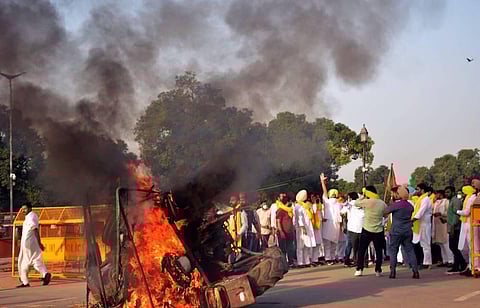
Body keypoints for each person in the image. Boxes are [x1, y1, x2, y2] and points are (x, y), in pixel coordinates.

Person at [385, 185, 419, 279]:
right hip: (407, 230)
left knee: (393, 251)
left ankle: (392, 272)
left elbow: (385, 212)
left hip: (396, 231)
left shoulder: (396, 205)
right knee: (410, 250)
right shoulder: (409, 205)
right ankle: (415, 271)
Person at [354, 186, 387, 277]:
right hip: (378, 229)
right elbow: (385, 213)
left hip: (367, 229)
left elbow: (356, 203)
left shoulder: (366, 202)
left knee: (361, 250)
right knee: (378, 251)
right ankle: (378, 270)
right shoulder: (382, 203)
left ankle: (359, 269)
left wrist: (362, 196)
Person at [17, 202, 52, 287]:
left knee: (25, 261)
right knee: (34, 260)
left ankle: (25, 281)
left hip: (29, 242)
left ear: (30, 208)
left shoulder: (31, 217)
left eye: (25, 209)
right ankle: (44, 274)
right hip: (30, 242)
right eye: (22, 209)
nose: (23, 211)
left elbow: (35, 229)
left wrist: (39, 242)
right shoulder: (31, 216)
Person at [456, 181, 480, 276]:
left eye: (474, 183)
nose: (473, 185)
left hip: (474, 223)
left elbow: (467, 212)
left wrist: (457, 211)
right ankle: (471, 266)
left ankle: (476, 267)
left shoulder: (474, 197)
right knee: (470, 247)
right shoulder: (470, 197)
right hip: (469, 223)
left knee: (474, 246)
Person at [320, 174, 341, 265]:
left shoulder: (328, 202)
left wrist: (322, 182)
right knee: (333, 242)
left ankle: (329, 258)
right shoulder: (337, 203)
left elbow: (324, 192)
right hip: (335, 223)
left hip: (330, 223)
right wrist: (323, 183)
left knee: (329, 242)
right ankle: (331, 257)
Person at [445, 185, 467, 274]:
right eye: (446, 192)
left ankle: (461, 263)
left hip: (455, 227)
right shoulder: (451, 201)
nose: (446, 194)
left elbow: (457, 215)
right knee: (453, 247)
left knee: (454, 247)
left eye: (448, 192)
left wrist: (453, 226)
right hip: (451, 227)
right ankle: (457, 265)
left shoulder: (456, 201)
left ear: (453, 192)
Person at [412, 184, 433, 269]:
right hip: (420, 224)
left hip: (425, 224)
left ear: (423, 190)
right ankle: (424, 261)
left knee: (426, 244)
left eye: (418, 189)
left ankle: (428, 263)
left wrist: (414, 219)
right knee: (421, 244)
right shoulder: (420, 199)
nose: (416, 191)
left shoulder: (426, 199)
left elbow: (421, 211)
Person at [340, 192, 364, 267]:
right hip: (361, 226)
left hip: (351, 227)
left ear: (350, 197)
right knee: (360, 245)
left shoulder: (350, 204)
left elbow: (342, 212)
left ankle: (347, 260)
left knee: (349, 244)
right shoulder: (361, 204)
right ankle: (359, 261)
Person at [294, 190, 316, 267]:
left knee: (307, 245)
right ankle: (300, 262)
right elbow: (299, 217)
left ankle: (306, 261)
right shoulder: (297, 206)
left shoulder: (304, 205)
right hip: (301, 228)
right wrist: (302, 227)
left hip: (307, 227)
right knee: (300, 245)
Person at [432, 190, 453, 267]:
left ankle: (451, 260)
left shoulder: (446, 202)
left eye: (436, 194)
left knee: (446, 243)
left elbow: (449, 212)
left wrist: (441, 214)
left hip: (444, 223)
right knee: (441, 244)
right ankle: (445, 260)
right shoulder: (436, 202)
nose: (435, 196)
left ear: (440, 194)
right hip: (437, 225)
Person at [276, 195, 296, 267]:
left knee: (290, 248)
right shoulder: (280, 210)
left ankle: (291, 262)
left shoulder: (290, 210)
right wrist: (281, 232)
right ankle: (284, 264)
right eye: (289, 201)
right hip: (283, 233)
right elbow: (278, 222)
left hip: (290, 233)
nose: (290, 203)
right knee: (283, 249)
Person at [311, 194, 324, 265]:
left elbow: (320, 213)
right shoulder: (311, 205)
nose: (315, 198)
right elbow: (314, 211)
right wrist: (315, 203)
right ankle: (313, 259)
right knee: (315, 243)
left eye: (316, 197)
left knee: (319, 242)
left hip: (319, 225)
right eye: (313, 197)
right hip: (314, 226)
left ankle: (317, 258)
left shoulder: (319, 205)